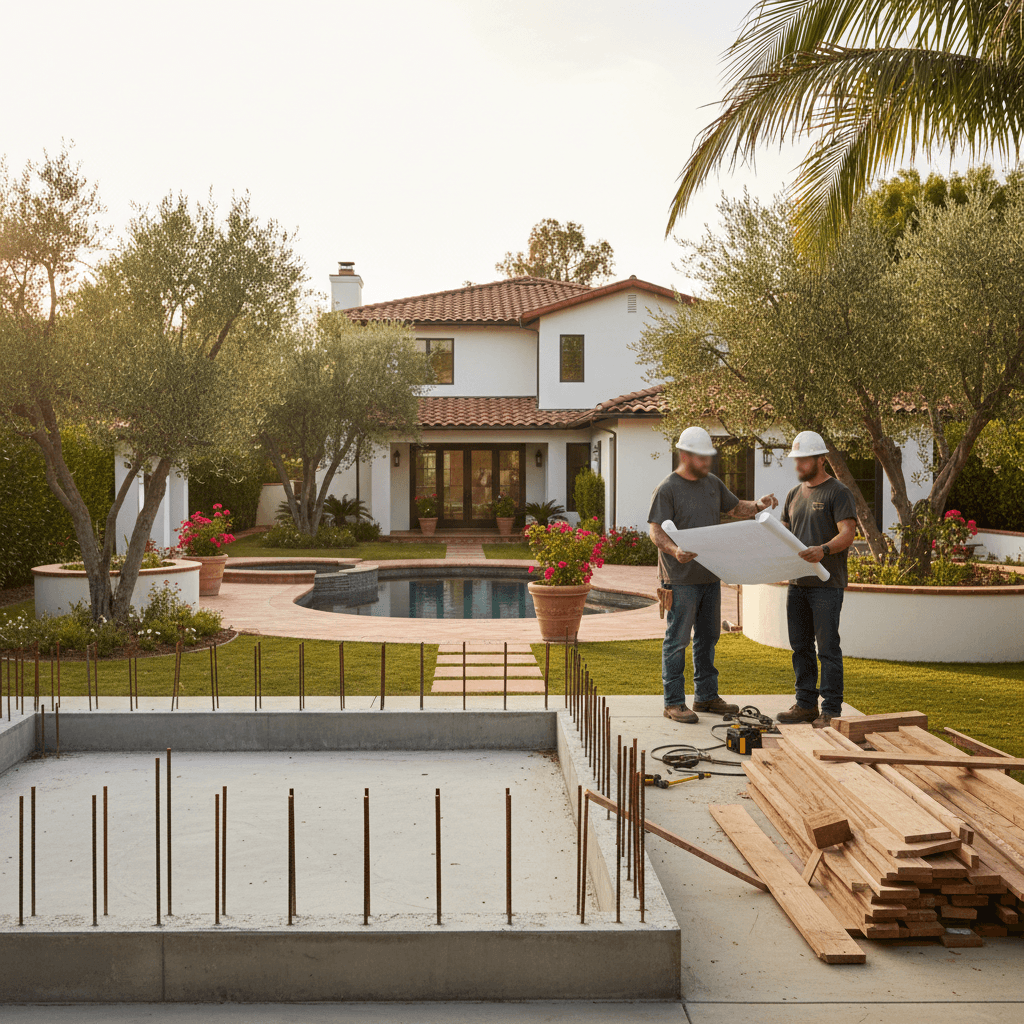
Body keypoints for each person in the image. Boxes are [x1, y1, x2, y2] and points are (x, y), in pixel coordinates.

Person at [648, 427, 778, 724]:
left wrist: (759, 505)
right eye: (701, 456)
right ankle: (673, 702)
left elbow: (735, 509)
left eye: (709, 456)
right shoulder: (667, 488)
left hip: (710, 575)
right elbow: (655, 531)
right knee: (677, 640)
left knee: (708, 637)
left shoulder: (712, 484)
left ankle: (705, 696)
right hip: (679, 579)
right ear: (684, 455)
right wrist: (674, 549)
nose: (707, 461)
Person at [776, 430, 858, 728]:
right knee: (800, 647)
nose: (797, 465)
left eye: (802, 459)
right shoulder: (793, 495)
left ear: (820, 459)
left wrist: (823, 550)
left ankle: (831, 710)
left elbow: (848, 533)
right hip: (797, 585)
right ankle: (805, 705)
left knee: (827, 649)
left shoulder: (838, 492)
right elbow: (783, 534)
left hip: (826, 585)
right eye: (795, 460)